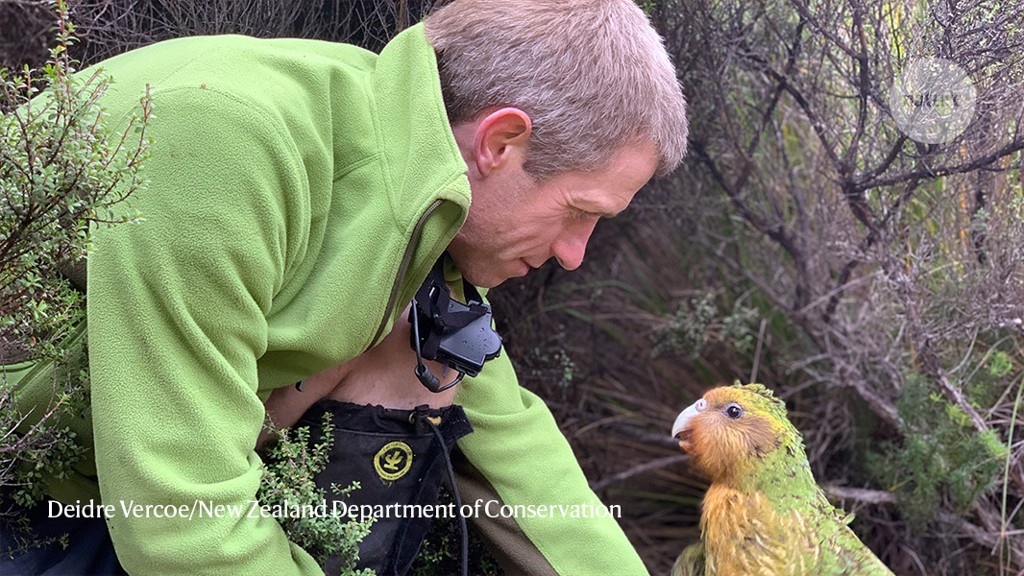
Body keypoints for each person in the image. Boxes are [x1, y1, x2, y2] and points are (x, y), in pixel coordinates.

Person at [1, 0, 688, 574]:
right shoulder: (236, 141)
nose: (574, 254)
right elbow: (181, 523)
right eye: (581, 212)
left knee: (426, 351)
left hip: (115, 479)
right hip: (30, 488)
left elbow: (515, 451)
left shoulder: (418, 188)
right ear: (501, 142)